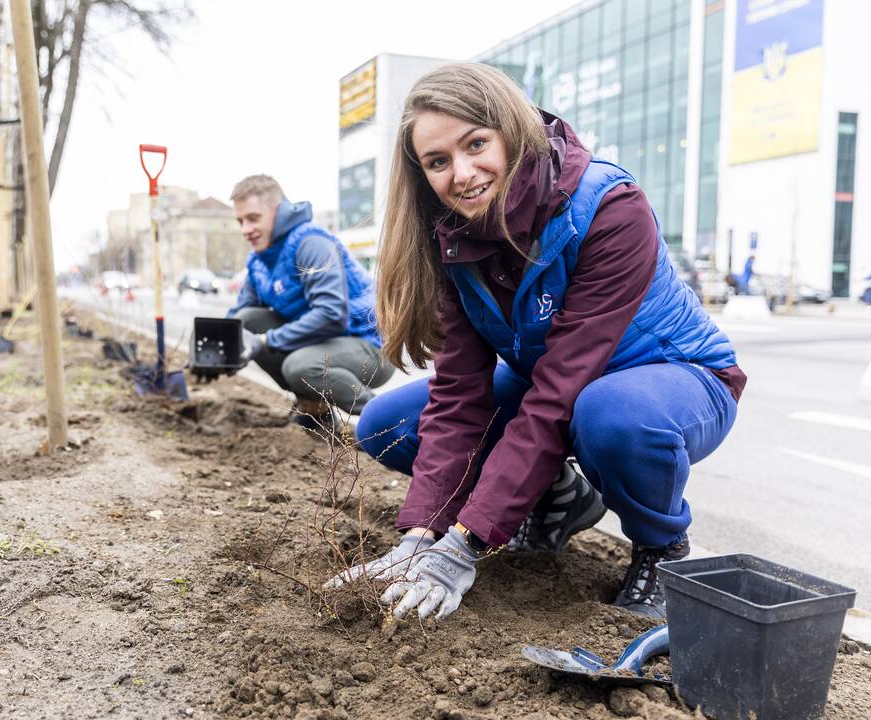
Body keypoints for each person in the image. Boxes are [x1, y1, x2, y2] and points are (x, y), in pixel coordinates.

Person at [330, 64, 746, 621]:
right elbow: (458, 401)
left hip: (675, 379)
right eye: (437, 161)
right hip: (558, 384)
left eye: (476, 143)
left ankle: (661, 546)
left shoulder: (609, 207)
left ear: (511, 129)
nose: (463, 173)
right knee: (390, 423)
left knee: (610, 417)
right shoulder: (455, 238)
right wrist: (420, 537)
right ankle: (558, 493)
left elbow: (558, 393)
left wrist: (466, 544)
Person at [226, 174, 394, 431]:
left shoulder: (311, 244)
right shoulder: (259, 261)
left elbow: (331, 315)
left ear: (277, 210)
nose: (245, 229)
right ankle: (316, 412)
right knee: (245, 322)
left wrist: (264, 341)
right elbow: (239, 314)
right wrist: (214, 349)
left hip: (372, 347)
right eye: (240, 221)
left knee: (300, 366)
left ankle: (389, 424)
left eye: (253, 218)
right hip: (325, 342)